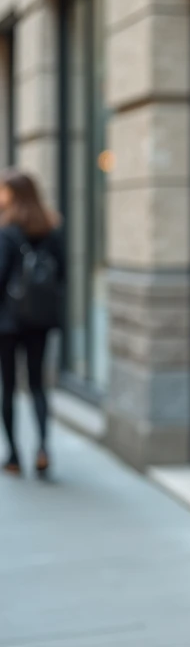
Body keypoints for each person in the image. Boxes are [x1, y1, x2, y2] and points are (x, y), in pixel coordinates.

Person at [0, 169, 65, 478]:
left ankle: (13, 455)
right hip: (40, 320)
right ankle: (42, 449)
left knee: (9, 387)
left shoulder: (7, 231)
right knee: (38, 385)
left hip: (8, 322)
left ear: (14, 194)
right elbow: (62, 274)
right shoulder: (51, 227)